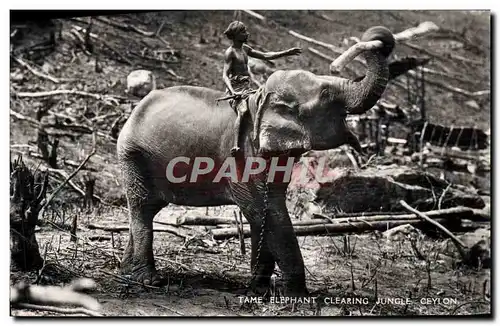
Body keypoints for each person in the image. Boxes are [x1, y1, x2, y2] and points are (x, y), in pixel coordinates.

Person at [222, 21, 302, 156]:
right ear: (236, 35)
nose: (247, 33)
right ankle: (236, 145)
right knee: (243, 110)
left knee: (265, 103)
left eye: (246, 30)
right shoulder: (230, 53)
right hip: (235, 89)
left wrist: (286, 53)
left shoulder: (245, 49)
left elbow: (265, 55)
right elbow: (225, 75)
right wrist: (233, 91)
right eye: (243, 32)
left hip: (246, 87)